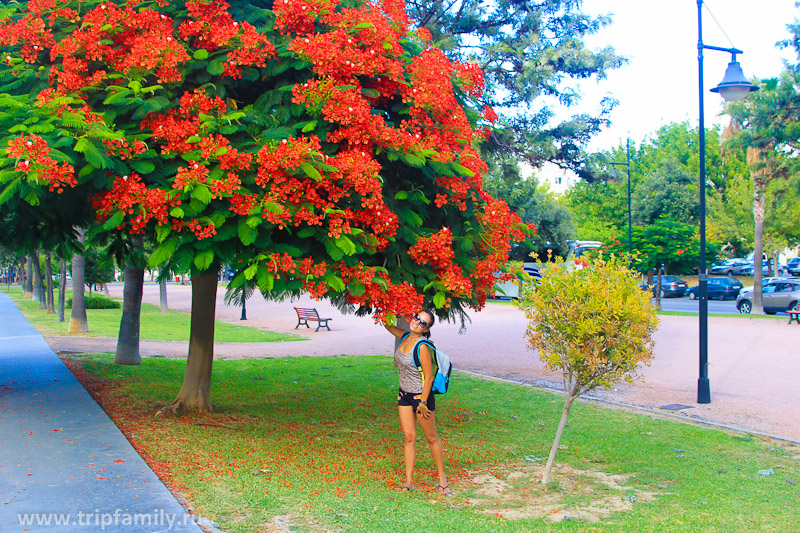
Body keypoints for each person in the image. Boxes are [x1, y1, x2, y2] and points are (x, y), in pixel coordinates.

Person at [384, 310, 450, 494]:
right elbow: (387, 325)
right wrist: (384, 309)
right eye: (416, 318)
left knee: (431, 437)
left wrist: (422, 402)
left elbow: (428, 378)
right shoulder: (405, 336)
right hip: (404, 395)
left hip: (421, 398)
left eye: (423, 323)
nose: (417, 322)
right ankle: (409, 482)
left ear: (426, 329)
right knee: (409, 438)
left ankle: (442, 480)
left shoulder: (421, 346)